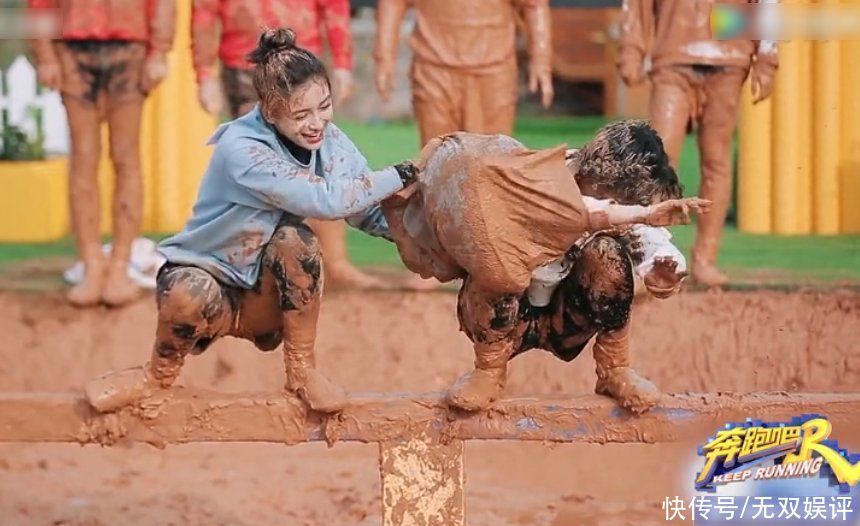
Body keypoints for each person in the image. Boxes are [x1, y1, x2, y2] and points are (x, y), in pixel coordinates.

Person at [85, 28, 420, 414]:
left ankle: (301, 373)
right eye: (301, 114)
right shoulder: (241, 149)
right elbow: (326, 200)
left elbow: (363, 208)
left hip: (263, 294)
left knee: (297, 241)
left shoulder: (328, 139)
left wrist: (425, 236)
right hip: (207, 280)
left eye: (324, 107)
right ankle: (156, 376)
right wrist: (404, 172)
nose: (317, 123)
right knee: (188, 293)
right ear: (271, 111)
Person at [382, 121, 707, 413]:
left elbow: (649, 237)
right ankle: (489, 371)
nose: (619, 207)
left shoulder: (624, 208)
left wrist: (664, 266)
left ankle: (614, 369)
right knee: (496, 266)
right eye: (612, 198)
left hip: (567, 315)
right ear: (593, 179)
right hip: (504, 317)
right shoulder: (534, 177)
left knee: (608, 255)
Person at [191, 0, 383, 289]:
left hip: (303, 64)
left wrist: (343, 63)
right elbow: (205, 11)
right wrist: (204, 74)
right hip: (245, 66)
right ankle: (260, 267)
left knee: (321, 161)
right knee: (261, 169)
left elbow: (334, 7)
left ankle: (335, 261)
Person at [619, 0, 778, 287]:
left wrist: (766, 56)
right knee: (658, 160)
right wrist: (632, 48)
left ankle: (705, 259)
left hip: (729, 54)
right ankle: (652, 257)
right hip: (673, 56)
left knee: (716, 160)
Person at [29, 0, 176, 307]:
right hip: (72, 48)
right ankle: (92, 264)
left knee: (126, 156)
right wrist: (44, 55)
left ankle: (120, 264)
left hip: (129, 46)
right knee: (83, 157)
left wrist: (160, 50)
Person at [374, 0, 555, 147]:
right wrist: (385, 58)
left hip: (493, 71)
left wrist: (541, 58)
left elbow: (534, 5)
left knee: (494, 155)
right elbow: (393, 3)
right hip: (435, 70)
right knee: (437, 155)